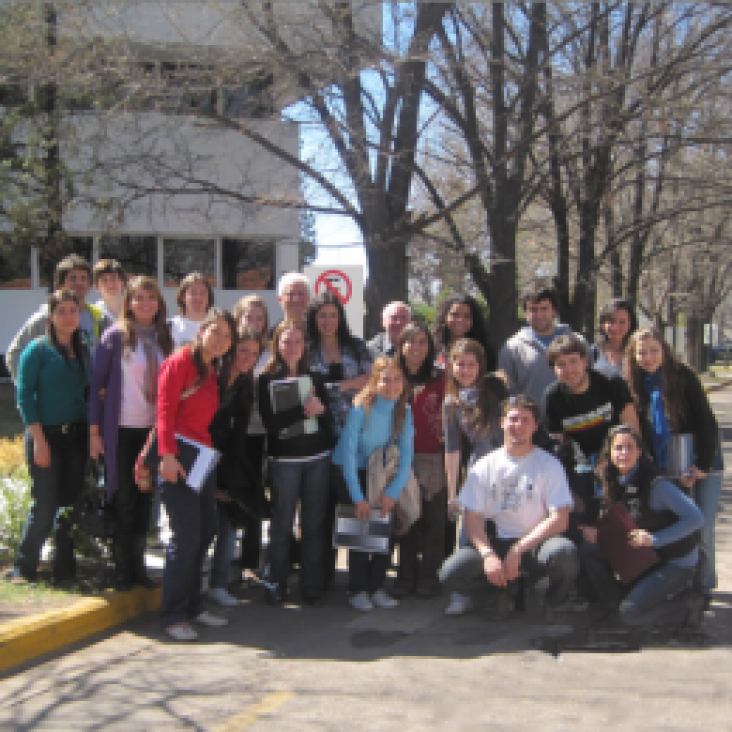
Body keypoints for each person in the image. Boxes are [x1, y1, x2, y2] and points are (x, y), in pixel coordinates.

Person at [439, 396, 579, 617]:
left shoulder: (549, 464)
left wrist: (519, 549)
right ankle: (499, 591)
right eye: (513, 419)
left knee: (564, 553)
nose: (518, 426)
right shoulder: (484, 465)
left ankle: (553, 600)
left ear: (535, 426)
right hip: (497, 543)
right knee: (451, 572)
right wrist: (487, 555)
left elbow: (560, 519)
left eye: (525, 420)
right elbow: (472, 518)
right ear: (502, 422)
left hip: (535, 545)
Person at [626, 327, 723, 606]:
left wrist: (701, 465)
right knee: (680, 525)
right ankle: (683, 584)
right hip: (669, 465)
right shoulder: (635, 383)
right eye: (641, 352)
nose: (648, 357)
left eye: (654, 350)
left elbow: (706, 422)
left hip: (703, 462)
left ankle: (703, 588)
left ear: (665, 350)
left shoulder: (683, 376)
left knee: (702, 526)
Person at [89, 276, 173, 590]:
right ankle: (122, 571)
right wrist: (95, 433)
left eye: (150, 298)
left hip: (152, 433)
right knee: (124, 500)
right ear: (129, 302)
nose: (145, 304)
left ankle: (139, 570)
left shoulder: (165, 339)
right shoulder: (115, 337)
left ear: (158, 303)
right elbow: (96, 386)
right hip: (121, 431)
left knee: (144, 503)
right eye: (138, 298)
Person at [578, 425, 705, 635]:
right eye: (618, 448)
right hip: (645, 556)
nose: (624, 453)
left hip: (675, 560)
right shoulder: (610, 478)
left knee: (631, 615)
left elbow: (696, 518)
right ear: (609, 453)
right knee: (590, 550)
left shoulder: (656, 484)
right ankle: (615, 606)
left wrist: (655, 539)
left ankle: (687, 605)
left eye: (630, 447)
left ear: (639, 452)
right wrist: (598, 532)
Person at [157, 308, 236, 642]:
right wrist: (167, 456)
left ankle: (193, 606)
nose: (220, 340)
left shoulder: (213, 368)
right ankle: (173, 615)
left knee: (205, 532)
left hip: (202, 458)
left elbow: (203, 419)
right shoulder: (178, 363)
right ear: (201, 330)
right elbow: (163, 412)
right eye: (214, 332)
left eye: (226, 336)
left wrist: (211, 453)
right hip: (178, 456)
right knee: (185, 537)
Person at [10, 290, 89, 584]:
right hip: (46, 437)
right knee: (44, 503)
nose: (69, 316)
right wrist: (39, 440)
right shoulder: (37, 350)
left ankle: (64, 571)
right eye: (62, 311)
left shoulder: (82, 351)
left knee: (69, 505)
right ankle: (24, 567)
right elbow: (24, 397)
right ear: (51, 316)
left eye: (73, 310)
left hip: (76, 436)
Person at [258, 320, 333, 606]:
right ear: (277, 345)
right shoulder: (266, 380)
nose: (292, 346)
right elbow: (270, 423)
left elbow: (326, 421)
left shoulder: (315, 376)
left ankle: (311, 586)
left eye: (297, 341)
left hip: (318, 460)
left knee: (313, 525)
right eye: (286, 341)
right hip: (284, 462)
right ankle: (274, 584)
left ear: (305, 347)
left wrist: (320, 411)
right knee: (282, 524)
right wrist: (304, 412)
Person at [332, 356, 415, 612]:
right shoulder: (360, 410)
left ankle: (377, 587)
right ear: (374, 382)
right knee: (361, 530)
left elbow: (407, 456)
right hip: (353, 473)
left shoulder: (405, 411)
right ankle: (357, 589)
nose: (391, 386)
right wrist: (358, 498)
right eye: (385, 380)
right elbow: (347, 456)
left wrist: (392, 493)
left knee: (384, 531)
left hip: (383, 472)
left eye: (396, 380)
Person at [306, 291, 372, 586]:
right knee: (321, 509)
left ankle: (358, 582)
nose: (328, 321)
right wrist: (348, 385)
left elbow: (370, 382)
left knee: (354, 504)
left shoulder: (356, 347)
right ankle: (321, 578)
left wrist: (336, 386)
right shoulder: (307, 348)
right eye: (322, 315)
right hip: (317, 438)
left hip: (355, 439)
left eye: (333, 315)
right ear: (314, 318)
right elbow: (305, 389)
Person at [442, 338, 509, 614]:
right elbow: (452, 449)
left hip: (505, 465)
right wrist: (452, 494)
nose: (466, 370)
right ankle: (462, 592)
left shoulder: (493, 391)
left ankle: (505, 586)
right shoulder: (452, 403)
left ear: (480, 366)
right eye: (460, 364)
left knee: (504, 526)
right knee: (469, 529)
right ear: (451, 365)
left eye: (471, 364)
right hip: (478, 469)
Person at [207, 328, 262, 607]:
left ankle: (218, 584)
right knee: (199, 526)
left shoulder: (244, 384)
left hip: (221, 456)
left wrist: (230, 480)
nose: (248, 358)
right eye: (244, 351)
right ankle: (191, 588)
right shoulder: (211, 374)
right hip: (195, 451)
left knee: (228, 520)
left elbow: (238, 435)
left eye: (254, 354)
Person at [393, 323, 446, 598]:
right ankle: (404, 578)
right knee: (406, 520)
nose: (416, 348)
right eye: (410, 342)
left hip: (433, 457)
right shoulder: (391, 376)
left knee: (433, 520)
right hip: (400, 457)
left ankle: (430, 578)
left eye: (422, 342)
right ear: (401, 346)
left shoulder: (441, 378)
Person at [6, 254, 110, 381]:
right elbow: (14, 353)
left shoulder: (100, 318)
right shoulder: (44, 318)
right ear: (60, 284)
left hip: (89, 394)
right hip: (54, 396)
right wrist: (28, 387)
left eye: (84, 278)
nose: (79, 283)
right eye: (73, 278)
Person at [543, 334, 640, 461]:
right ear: (553, 370)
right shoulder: (552, 397)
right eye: (561, 364)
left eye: (573, 361)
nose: (569, 370)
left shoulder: (611, 382)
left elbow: (633, 431)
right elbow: (557, 444)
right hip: (582, 463)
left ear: (585, 362)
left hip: (619, 457)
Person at [232, 294, 271, 576]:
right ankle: (228, 556)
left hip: (260, 432)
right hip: (233, 431)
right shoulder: (229, 349)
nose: (255, 323)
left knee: (256, 493)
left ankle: (251, 557)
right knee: (232, 492)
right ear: (238, 319)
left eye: (259, 318)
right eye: (249, 317)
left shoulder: (270, 352)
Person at [497, 280, 578, 403]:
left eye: (544, 308)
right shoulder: (511, 349)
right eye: (533, 310)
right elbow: (506, 394)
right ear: (525, 313)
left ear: (554, 311)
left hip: (574, 419)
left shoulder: (576, 342)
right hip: (533, 420)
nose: (539, 315)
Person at [433, 294, 496, 371]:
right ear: (445, 317)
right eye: (455, 314)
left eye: (467, 316)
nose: (460, 320)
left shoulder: (484, 352)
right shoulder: (432, 349)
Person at [591, 298, 638, 377]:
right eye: (611, 321)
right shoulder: (591, 353)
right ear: (602, 322)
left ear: (630, 324)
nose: (616, 327)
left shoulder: (638, 353)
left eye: (622, 322)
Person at [169, 272, 215, 350]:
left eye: (202, 293)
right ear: (182, 297)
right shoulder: (170, 326)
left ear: (209, 297)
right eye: (193, 293)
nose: (198, 297)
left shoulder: (217, 326)